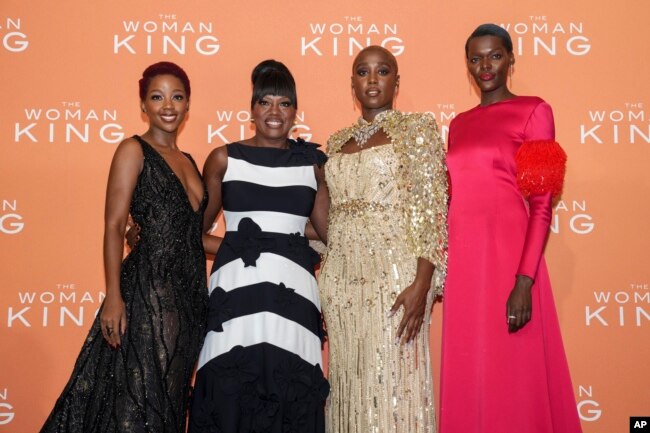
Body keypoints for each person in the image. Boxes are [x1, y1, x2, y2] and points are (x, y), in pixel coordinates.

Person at [40, 62, 208, 433]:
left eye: (177, 97)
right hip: (148, 295)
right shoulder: (133, 150)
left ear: (188, 104)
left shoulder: (191, 163)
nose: (168, 106)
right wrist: (114, 296)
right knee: (138, 403)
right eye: (157, 96)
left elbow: (189, 236)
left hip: (191, 301)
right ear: (143, 105)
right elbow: (115, 226)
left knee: (170, 402)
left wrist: (258, 245)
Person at [439, 24, 582, 433]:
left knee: (514, 374)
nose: (485, 66)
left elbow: (541, 205)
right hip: (465, 266)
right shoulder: (458, 124)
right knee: (472, 370)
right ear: (467, 64)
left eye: (495, 56)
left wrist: (524, 280)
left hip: (510, 262)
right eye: (476, 58)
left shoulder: (535, 111)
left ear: (511, 60)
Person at [187, 60, 330, 433]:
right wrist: (238, 247)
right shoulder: (224, 158)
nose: (274, 112)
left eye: (284, 103)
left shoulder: (312, 165)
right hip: (236, 294)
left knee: (292, 391)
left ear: (295, 110)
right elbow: (192, 233)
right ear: (251, 108)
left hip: (295, 296)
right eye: (265, 102)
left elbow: (330, 233)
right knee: (230, 392)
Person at [316, 46, 448, 433]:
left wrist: (422, 282)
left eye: (383, 71)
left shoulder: (418, 129)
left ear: (397, 81)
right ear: (352, 83)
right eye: (363, 72)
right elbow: (329, 214)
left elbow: (432, 209)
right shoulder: (336, 142)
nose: (372, 80)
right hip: (340, 281)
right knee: (348, 385)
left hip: (396, 280)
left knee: (394, 387)